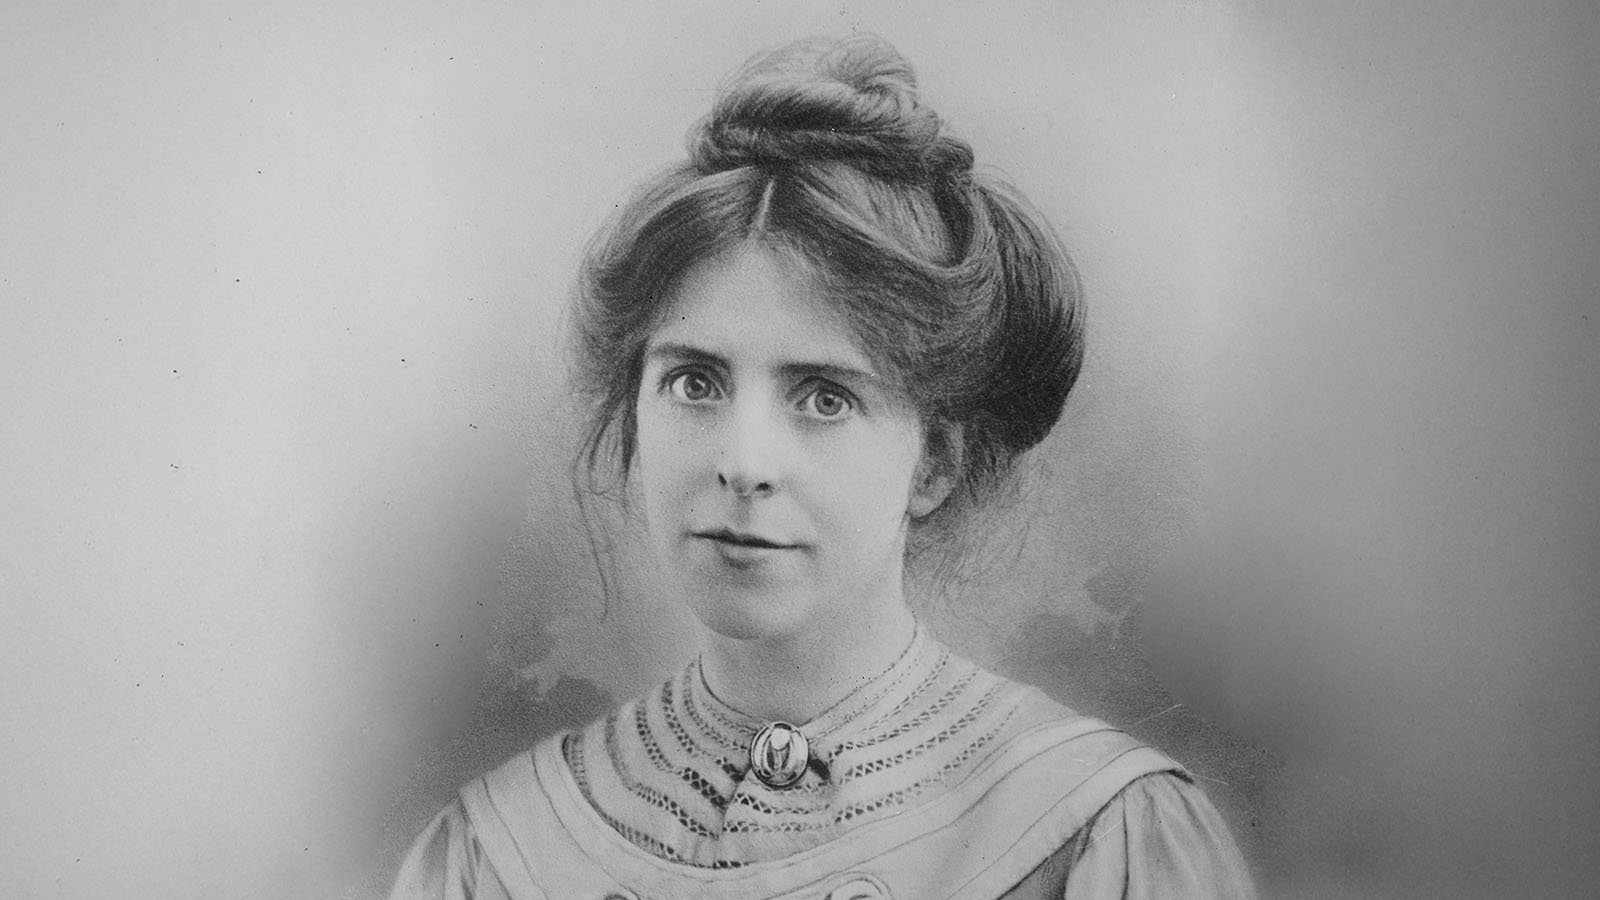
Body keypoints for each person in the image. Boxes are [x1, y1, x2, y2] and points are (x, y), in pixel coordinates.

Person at [389, 35, 1255, 900]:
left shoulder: (1099, 828)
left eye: (824, 398)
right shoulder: (497, 852)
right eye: (694, 383)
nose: (742, 464)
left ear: (935, 463)